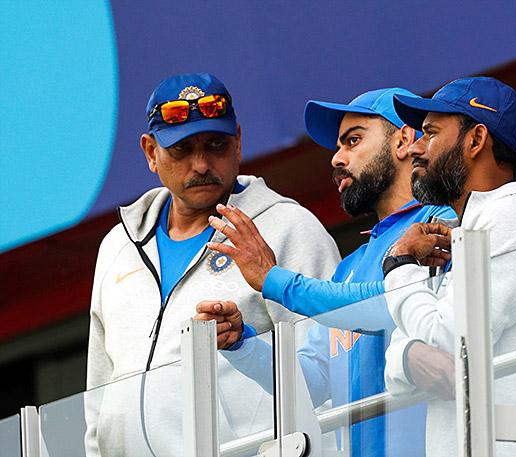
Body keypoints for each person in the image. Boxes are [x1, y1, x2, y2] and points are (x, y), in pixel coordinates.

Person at [85, 72, 340, 456]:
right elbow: (99, 395)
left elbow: (331, 374)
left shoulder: (286, 225)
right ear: (151, 152)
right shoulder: (117, 245)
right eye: (181, 149)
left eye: (216, 145)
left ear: (238, 142)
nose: (201, 164)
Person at [204, 88, 456, 457]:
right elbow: (313, 381)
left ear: (404, 140)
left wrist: (273, 279)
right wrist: (240, 344)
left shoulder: (444, 224)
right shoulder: (348, 269)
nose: (337, 158)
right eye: (338, 147)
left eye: (353, 140)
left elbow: (387, 303)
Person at [380, 76, 516, 457]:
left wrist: (398, 265)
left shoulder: (515, 214)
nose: (417, 148)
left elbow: (448, 343)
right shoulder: (458, 237)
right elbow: (400, 369)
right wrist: (406, 358)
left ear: (476, 140)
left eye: (430, 132)